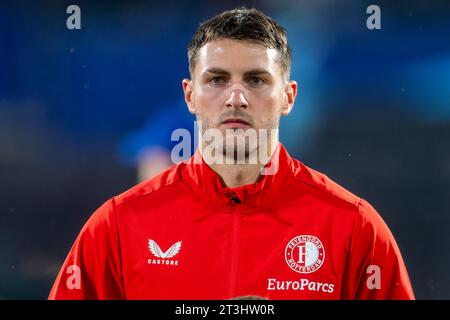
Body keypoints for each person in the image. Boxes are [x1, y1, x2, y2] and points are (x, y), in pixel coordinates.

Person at [48, 7, 414, 300]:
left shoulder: (354, 227)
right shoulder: (115, 226)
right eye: (217, 79)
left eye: (256, 80)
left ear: (289, 97)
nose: (236, 97)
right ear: (189, 95)